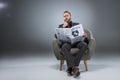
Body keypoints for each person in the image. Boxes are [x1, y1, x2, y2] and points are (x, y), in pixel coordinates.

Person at [55, 11, 89, 77]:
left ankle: (71, 67)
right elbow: (56, 36)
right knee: (64, 47)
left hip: (77, 42)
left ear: (70, 17)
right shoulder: (60, 26)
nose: (65, 17)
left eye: (67, 15)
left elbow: (82, 34)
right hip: (67, 43)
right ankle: (75, 68)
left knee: (84, 45)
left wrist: (85, 35)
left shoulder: (77, 25)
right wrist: (62, 27)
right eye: (64, 16)